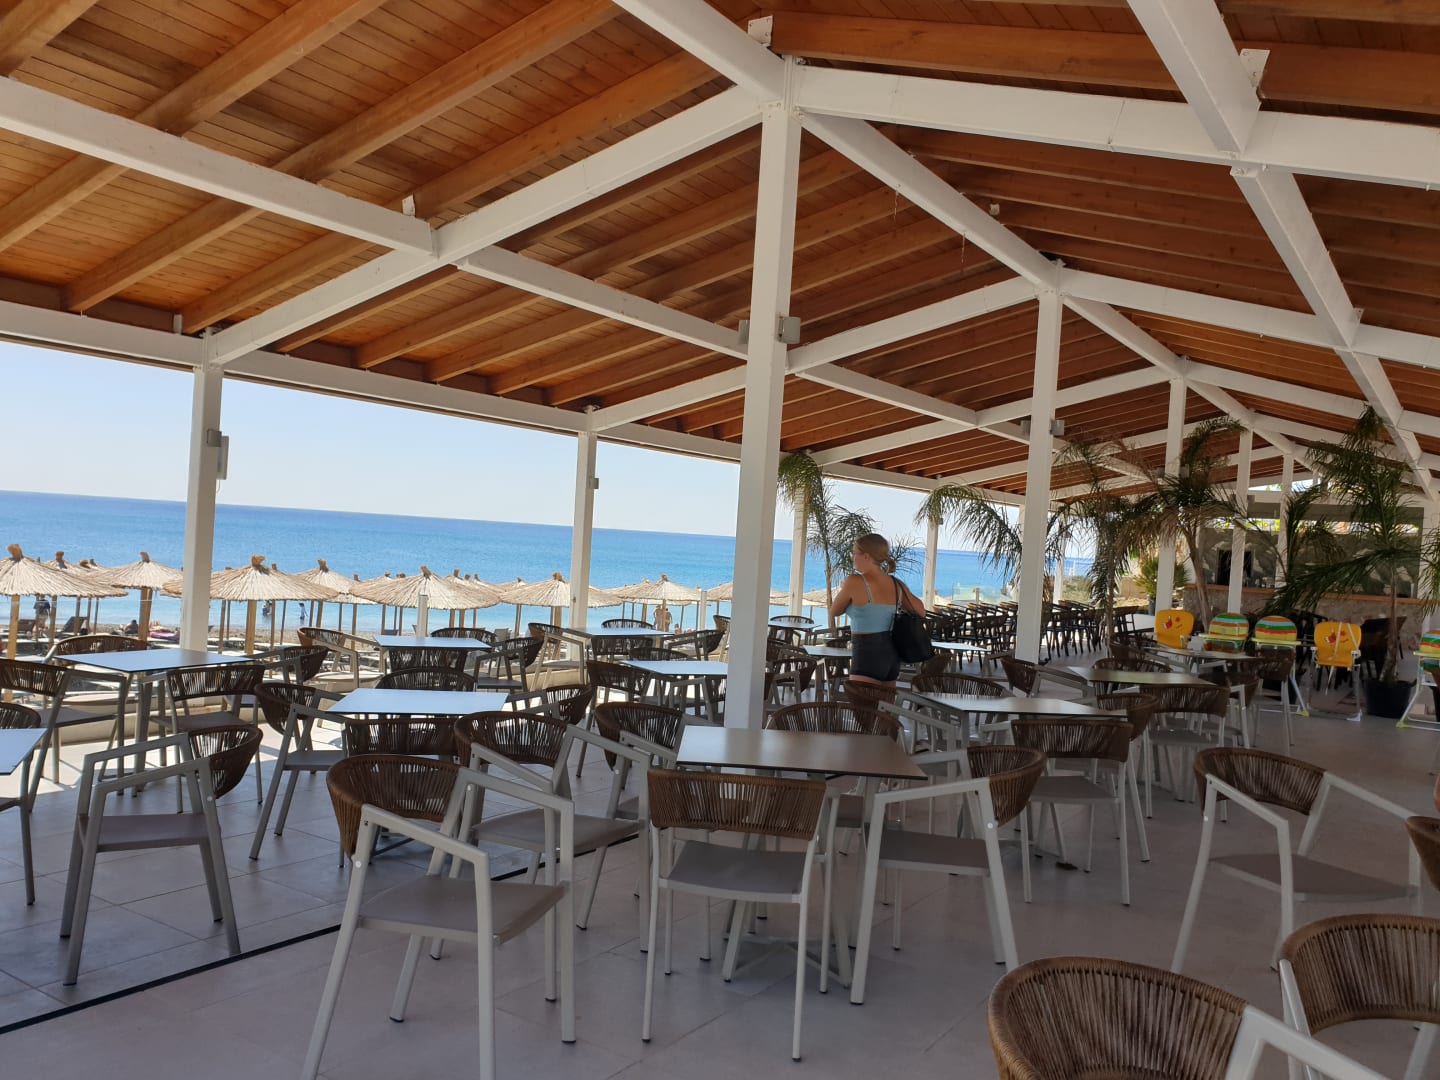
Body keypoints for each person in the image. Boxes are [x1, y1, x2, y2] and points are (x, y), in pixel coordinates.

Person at [828, 533, 926, 689]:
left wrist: (847, 593)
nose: (853, 558)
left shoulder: (855, 581)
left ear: (866, 556)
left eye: (854, 553)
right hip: (891, 655)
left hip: (867, 653)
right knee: (884, 704)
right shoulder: (896, 584)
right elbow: (921, 611)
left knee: (862, 704)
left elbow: (834, 611)